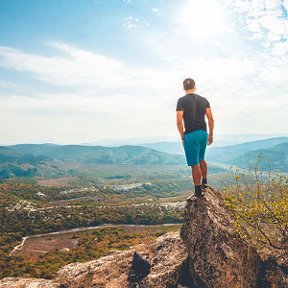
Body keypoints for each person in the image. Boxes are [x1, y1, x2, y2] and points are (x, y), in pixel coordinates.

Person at [176, 78, 214, 197]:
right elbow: (210, 118)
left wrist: (183, 136)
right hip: (203, 133)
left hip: (191, 135)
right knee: (202, 158)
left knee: (194, 163)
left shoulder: (181, 101)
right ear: (194, 86)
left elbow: (179, 121)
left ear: (184, 88)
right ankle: (205, 182)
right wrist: (211, 134)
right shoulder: (204, 100)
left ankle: (198, 191)